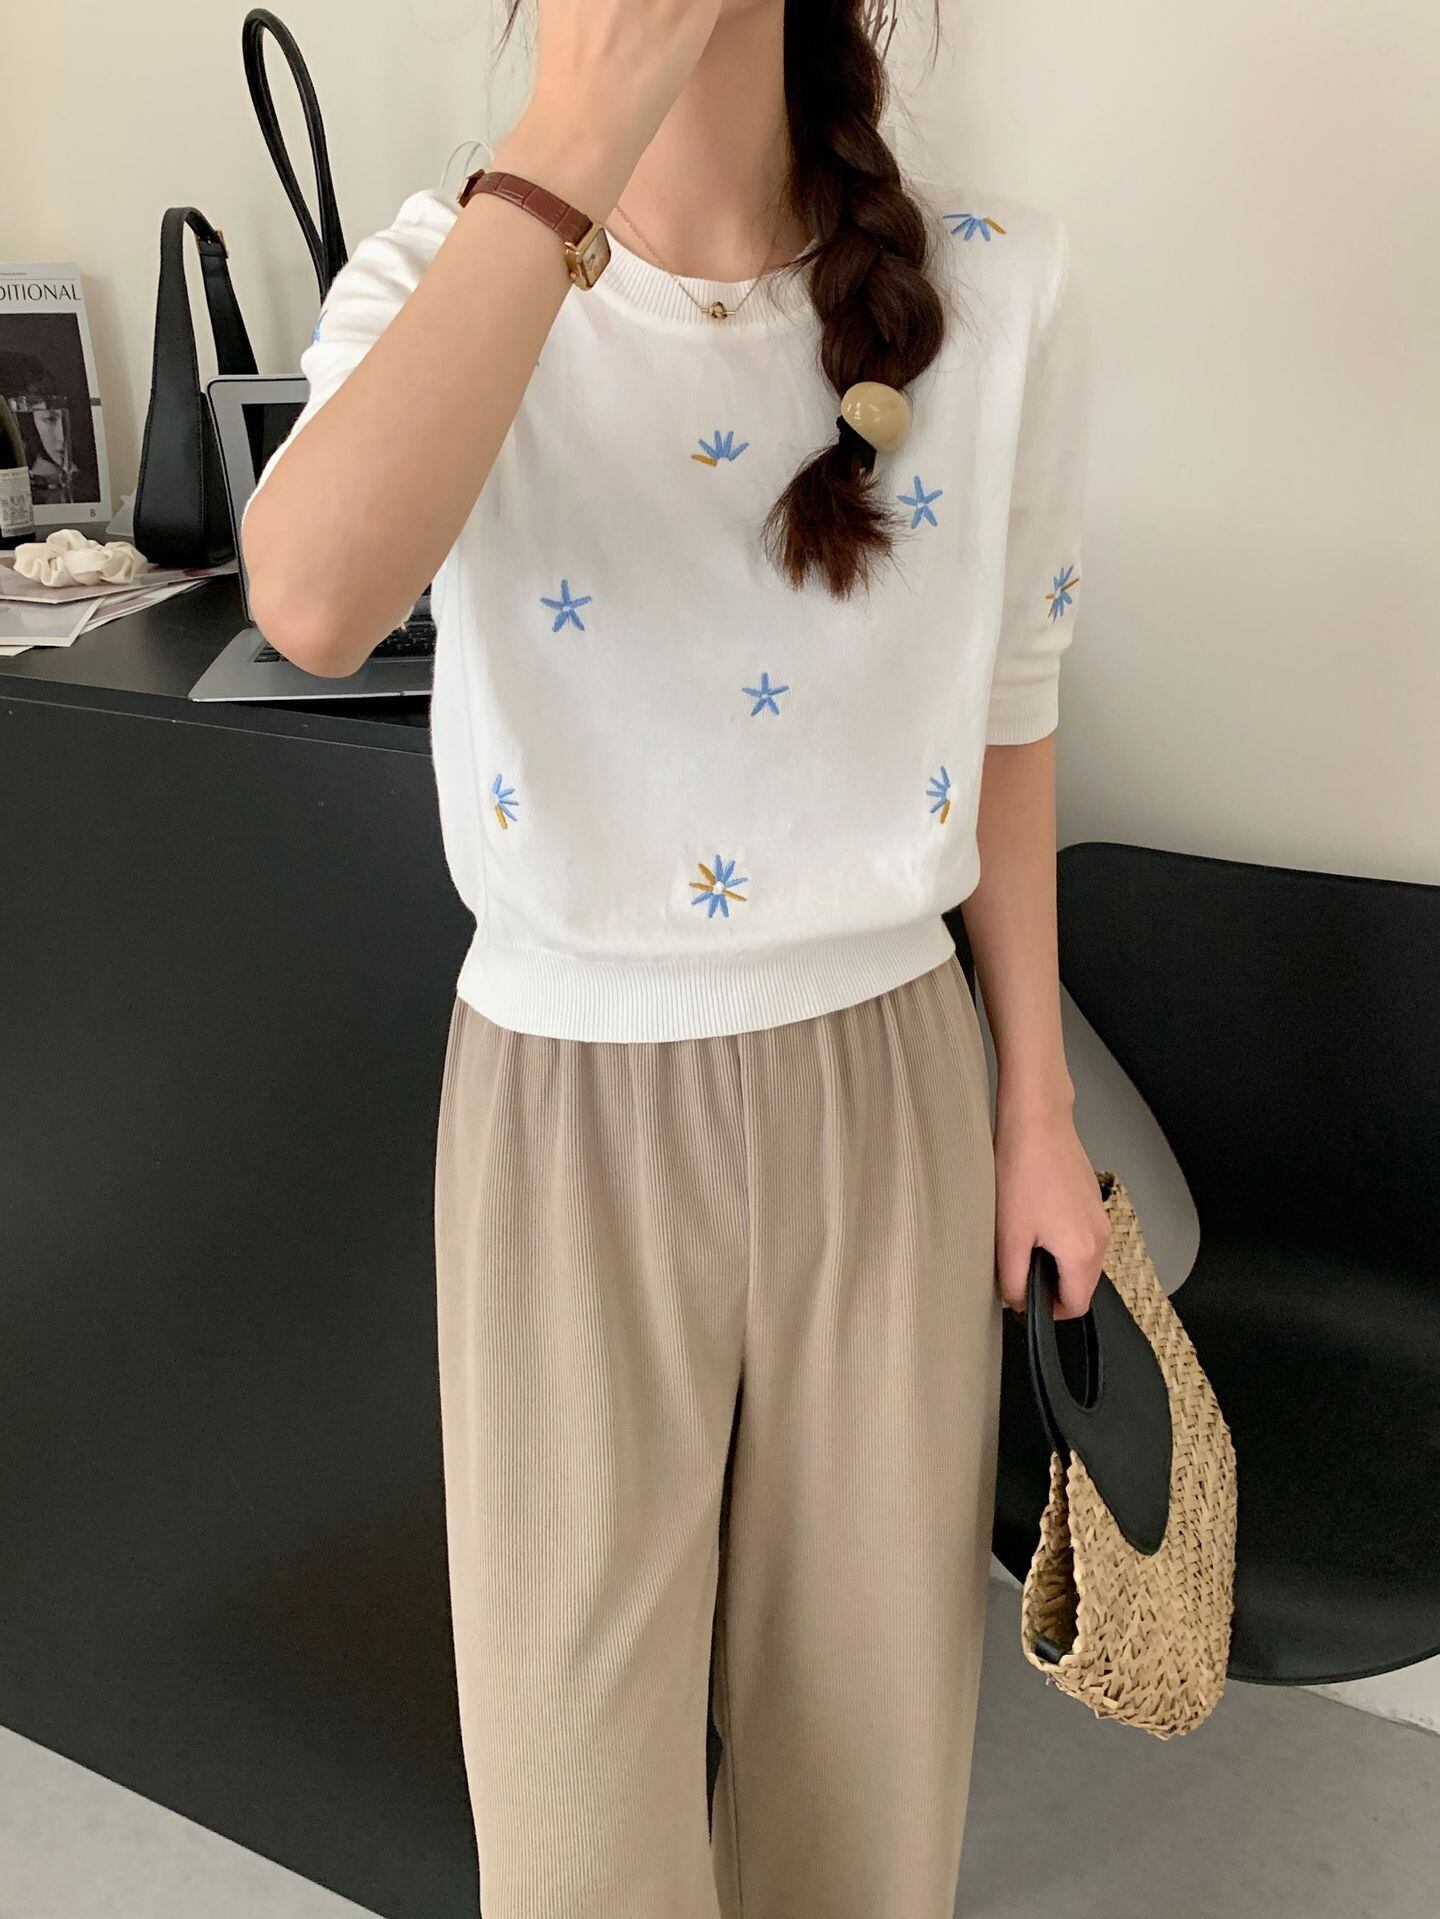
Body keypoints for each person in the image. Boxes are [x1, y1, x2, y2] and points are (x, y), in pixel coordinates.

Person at [241, 2, 1112, 1913]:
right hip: (563, 1104)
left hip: (887, 1083)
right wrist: (571, 138)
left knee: (868, 1777)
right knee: (573, 1802)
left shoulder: (997, 286)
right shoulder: (445, 267)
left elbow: (1016, 709)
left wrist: (1037, 1112)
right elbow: (309, 602)